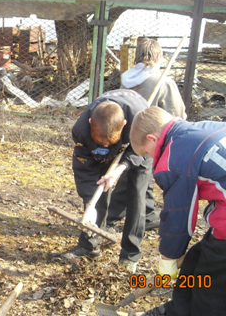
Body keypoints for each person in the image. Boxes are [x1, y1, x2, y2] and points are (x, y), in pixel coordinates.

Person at [130, 106, 226, 316]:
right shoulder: (207, 128)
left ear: (152, 138)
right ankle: (176, 310)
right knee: (194, 262)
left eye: (146, 152)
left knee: (210, 286)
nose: (150, 158)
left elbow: (179, 215)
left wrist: (168, 258)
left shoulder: (173, 160)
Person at [61, 90, 152, 273]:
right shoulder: (81, 130)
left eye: (109, 141)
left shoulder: (140, 121)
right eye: (99, 140)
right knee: (97, 189)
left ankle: (130, 254)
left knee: (136, 196)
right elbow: (84, 167)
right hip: (105, 149)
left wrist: (121, 167)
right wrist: (89, 200)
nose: (104, 145)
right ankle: (89, 245)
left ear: (124, 125)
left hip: (138, 147)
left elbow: (140, 152)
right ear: (90, 124)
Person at [107, 38, 187, 231]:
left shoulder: (126, 78)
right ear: (158, 56)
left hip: (126, 132)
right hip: (151, 137)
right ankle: (111, 215)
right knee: (137, 175)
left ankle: (149, 214)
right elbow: (177, 114)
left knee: (141, 173)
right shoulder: (163, 81)